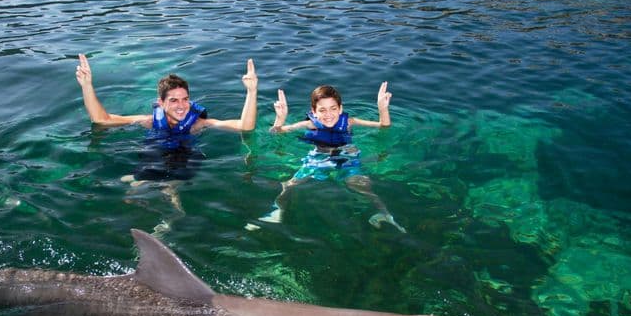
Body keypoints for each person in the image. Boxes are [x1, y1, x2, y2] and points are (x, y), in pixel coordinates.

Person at [76, 54, 258, 232]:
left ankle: (167, 218)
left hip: (184, 162)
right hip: (153, 160)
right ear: (161, 103)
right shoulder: (149, 121)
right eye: (174, 100)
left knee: (171, 196)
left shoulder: (197, 124)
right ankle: (143, 190)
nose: (181, 105)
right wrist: (86, 86)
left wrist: (251, 92)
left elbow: (245, 126)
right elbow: (102, 120)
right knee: (129, 198)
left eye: (185, 99)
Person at [258, 82, 405, 232]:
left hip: (346, 154)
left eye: (333, 108)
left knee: (363, 187)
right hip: (318, 157)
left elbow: (383, 126)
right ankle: (277, 212)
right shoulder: (310, 124)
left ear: (340, 109)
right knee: (290, 184)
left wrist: (383, 109)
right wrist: (280, 119)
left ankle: (385, 214)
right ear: (314, 112)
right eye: (322, 110)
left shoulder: (349, 122)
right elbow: (276, 132)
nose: (328, 115)